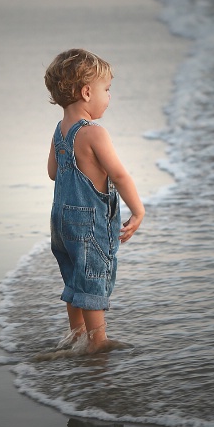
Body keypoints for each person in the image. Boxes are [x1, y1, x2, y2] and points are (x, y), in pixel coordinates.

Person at [45, 48, 145, 353]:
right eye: (107, 89)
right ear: (87, 92)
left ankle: (77, 336)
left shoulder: (61, 131)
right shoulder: (94, 133)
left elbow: (52, 172)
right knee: (92, 277)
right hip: (88, 222)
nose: (109, 96)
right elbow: (120, 175)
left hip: (61, 222)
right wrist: (138, 211)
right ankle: (97, 342)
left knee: (75, 278)